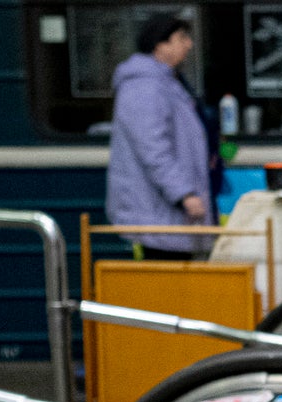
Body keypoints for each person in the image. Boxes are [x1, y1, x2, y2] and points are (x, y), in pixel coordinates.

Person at [105, 13, 213, 260]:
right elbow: (152, 148)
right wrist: (184, 193)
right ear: (159, 44)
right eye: (181, 38)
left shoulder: (164, 82)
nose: (189, 44)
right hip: (157, 214)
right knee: (165, 283)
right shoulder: (144, 86)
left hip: (163, 213)